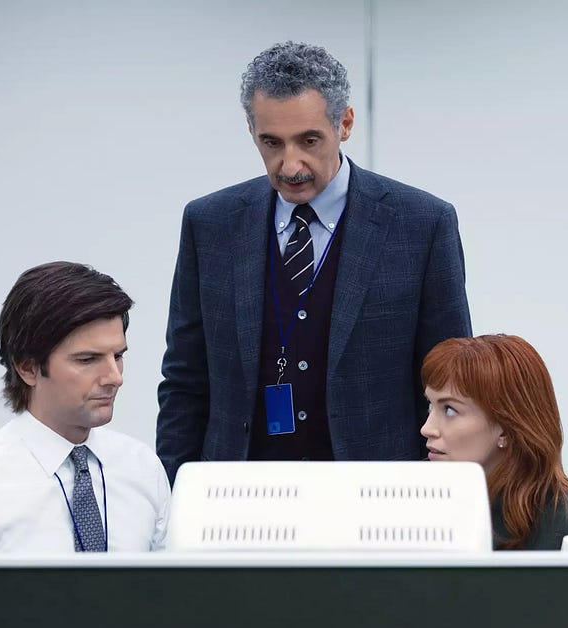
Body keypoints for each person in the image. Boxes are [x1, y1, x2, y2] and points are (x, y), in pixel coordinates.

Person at [156, 41, 472, 483]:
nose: (290, 164)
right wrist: (172, 498)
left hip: (380, 499)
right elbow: (184, 382)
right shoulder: (210, 224)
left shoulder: (422, 223)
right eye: (271, 142)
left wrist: (445, 498)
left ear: (344, 123)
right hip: (235, 499)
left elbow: (452, 382)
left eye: (308, 141)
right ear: (250, 128)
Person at [0, 261, 170, 552]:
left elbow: (172, 593)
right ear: (27, 367)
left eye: (117, 356)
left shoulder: (144, 469)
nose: (115, 377)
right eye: (87, 360)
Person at [420, 334, 568, 550]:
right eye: (430, 406)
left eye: (449, 409)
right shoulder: (418, 513)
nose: (426, 429)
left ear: (507, 428)